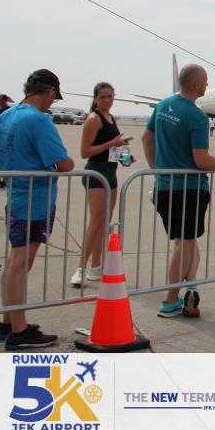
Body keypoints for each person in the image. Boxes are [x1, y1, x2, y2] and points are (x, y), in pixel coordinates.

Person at [142, 64, 215, 318]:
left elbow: (146, 138)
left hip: (164, 187)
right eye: (206, 81)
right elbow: (201, 160)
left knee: (184, 241)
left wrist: (157, 170)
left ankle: (191, 288)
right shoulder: (197, 117)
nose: (207, 85)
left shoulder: (163, 105)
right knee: (185, 244)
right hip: (188, 190)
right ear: (197, 84)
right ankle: (169, 301)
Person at [0, 69, 73, 349]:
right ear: (49, 91)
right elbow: (63, 163)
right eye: (54, 97)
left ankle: (8, 322)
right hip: (34, 200)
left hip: (16, 195)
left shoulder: (7, 115)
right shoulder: (38, 120)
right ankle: (19, 331)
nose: (53, 102)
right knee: (20, 263)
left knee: (15, 262)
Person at [71, 82, 133, 288]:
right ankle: (80, 268)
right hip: (96, 173)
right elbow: (85, 152)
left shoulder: (111, 118)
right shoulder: (93, 119)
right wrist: (111, 144)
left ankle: (96, 266)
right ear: (96, 98)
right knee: (96, 222)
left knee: (105, 221)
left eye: (110, 96)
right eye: (103, 96)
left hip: (110, 173)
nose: (107, 100)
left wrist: (124, 154)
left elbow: (111, 148)